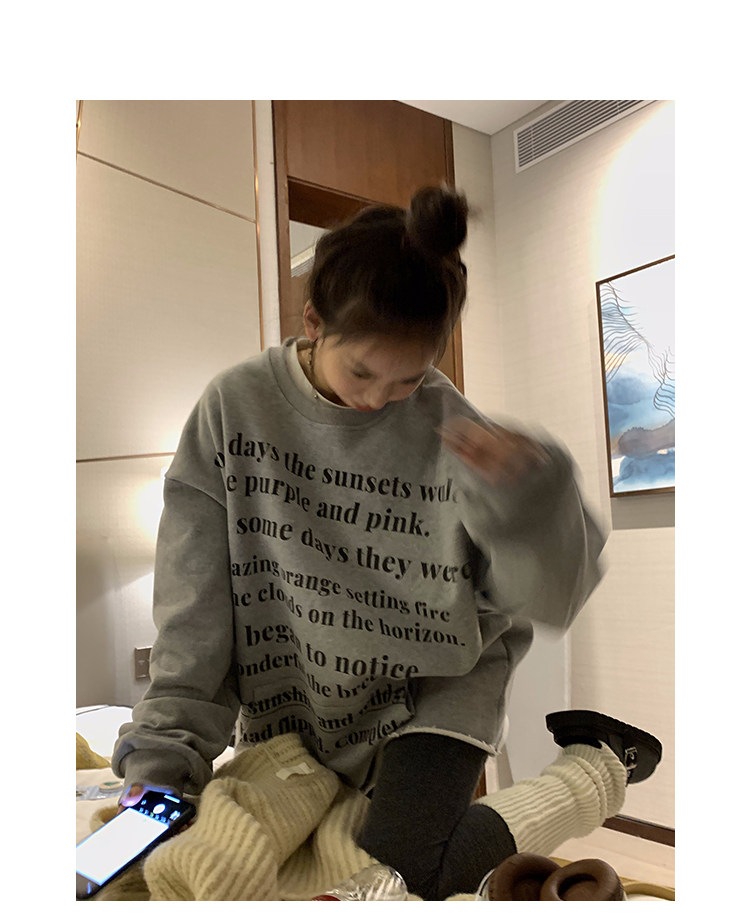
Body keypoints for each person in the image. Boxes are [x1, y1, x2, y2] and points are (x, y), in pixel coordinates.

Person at [110, 186, 660, 900]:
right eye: (363, 371)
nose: (377, 398)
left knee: (402, 871)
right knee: (288, 866)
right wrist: (163, 762)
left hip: (438, 687)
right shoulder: (234, 408)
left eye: (408, 378)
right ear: (313, 321)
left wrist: (527, 498)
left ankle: (600, 763)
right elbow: (195, 606)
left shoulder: (449, 425)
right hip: (298, 694)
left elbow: (548, 597)